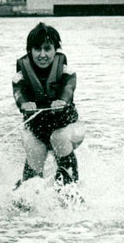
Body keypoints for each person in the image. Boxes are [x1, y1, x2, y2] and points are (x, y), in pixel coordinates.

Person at [12, 22, 85, 187]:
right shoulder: (19, 77)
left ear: (55, 50)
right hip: (37, 131)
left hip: (68, 128)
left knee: (58, 137)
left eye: (47, 48)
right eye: (37, 49)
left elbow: (68, 88)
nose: (42, 54)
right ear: (29, 51)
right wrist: (24, 104)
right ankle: (26, 192)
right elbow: (19, 94)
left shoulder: (67, 72)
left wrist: (62, 100)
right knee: (34, 149)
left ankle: (71, 186)